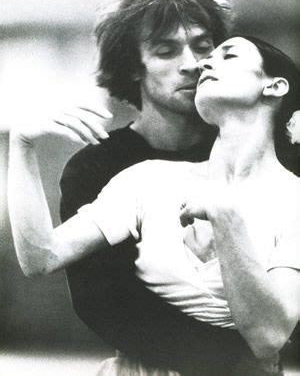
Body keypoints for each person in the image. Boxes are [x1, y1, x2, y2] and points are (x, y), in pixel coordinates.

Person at [8, 35, 300, 375]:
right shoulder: (147, 178)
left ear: (275, 86)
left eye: (228, 55)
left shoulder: (294, 199)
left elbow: (269, 336)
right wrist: (22, 145)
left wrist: (226, 219)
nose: (203, 64)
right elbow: (41, 257)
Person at [59, 0, 228, 369]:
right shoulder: (96, 166)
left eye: (204, 46)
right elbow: (102, 303)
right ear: (133, 68)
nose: (194, 63)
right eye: (167, 51)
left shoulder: (257, 151)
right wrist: (226, 358)